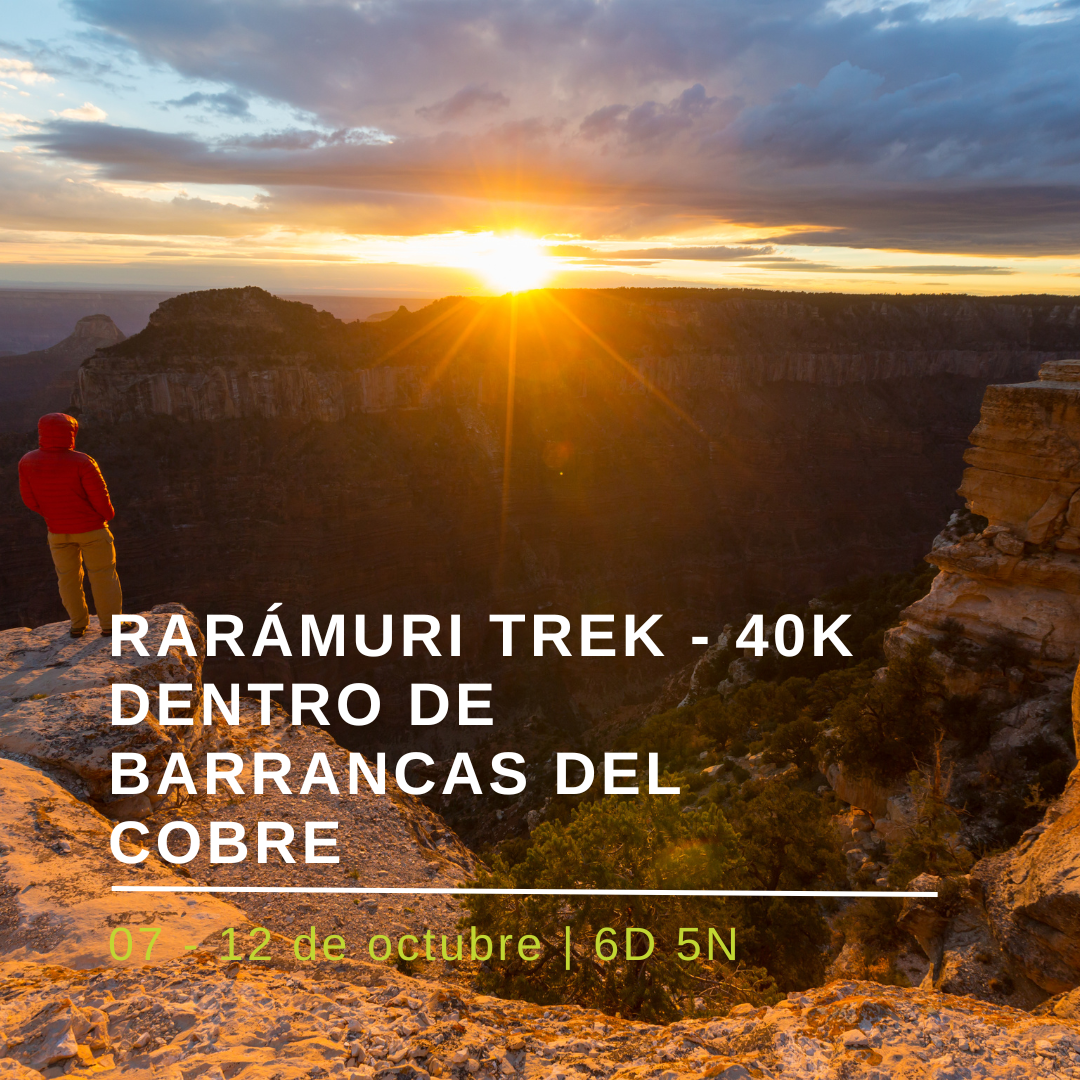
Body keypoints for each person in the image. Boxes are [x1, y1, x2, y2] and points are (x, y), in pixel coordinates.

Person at [18, 412, 123, 638]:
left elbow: (29, 500)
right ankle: (110, 626)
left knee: (67, 578)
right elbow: (102, 500)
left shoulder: (27, 461)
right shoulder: (82, 462)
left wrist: (53, 515)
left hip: (57, 531)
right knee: (103, 575)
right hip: (92, 530)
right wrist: (106, 516)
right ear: (71, 433)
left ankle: (77, 625)